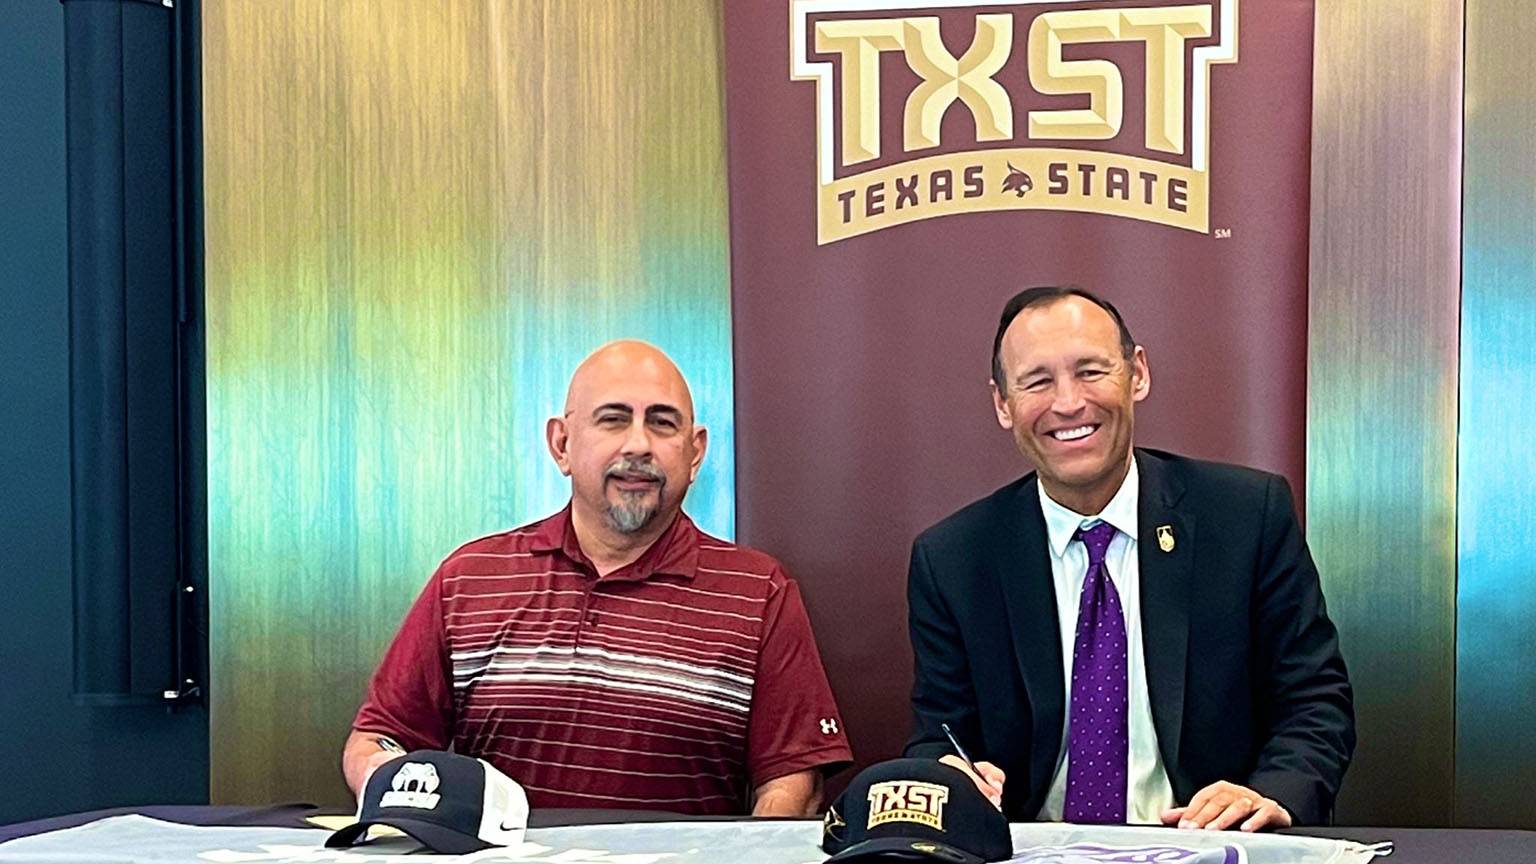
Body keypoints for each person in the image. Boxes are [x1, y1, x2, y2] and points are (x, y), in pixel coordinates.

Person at [904, 286, 1354, 831]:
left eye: (1091, 371)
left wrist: (1272, 792)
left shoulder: (1244, 517)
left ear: (1136, 373)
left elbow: (1313, 701)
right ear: (1003, 404)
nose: (1068, 402)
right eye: (1037, 381)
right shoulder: (953, 560)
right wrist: (949, 776)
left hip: (1208, 847)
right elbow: (940, 734)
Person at [342, 340, 851, 816]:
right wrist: (384, 776)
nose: (639, 444)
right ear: (561, 444)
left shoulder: (758, 592)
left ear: (694, 453)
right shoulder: (469, 580)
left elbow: (795, 783)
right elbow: (380, 738)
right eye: (612, 420)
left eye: (663, 424)